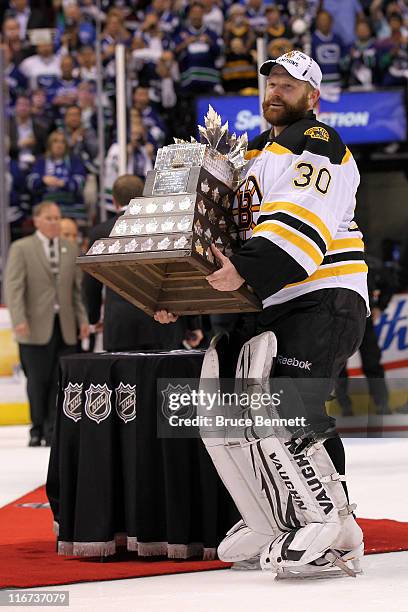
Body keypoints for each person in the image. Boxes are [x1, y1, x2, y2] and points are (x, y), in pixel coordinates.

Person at [156, 50, 369, 578]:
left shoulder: (315, 143)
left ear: (312, 98)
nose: (276, 91)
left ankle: (334, 526)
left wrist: (249, 271)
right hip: (274, 299)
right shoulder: (257, 156)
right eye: (271, 81)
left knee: (290, 409)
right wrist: (179, 291)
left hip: (322, 294)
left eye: (290, 85)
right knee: (234, 413)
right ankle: (273, 518)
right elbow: (220, 240)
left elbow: (299, 228)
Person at [83, 175, 203, 352]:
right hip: (162, 324)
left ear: (114, 201)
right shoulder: (167, 227)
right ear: (146, 196)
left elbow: (90, 285)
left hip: (120, 326)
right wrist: (193, 324)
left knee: (126, 380)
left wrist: (93, 319)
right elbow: (180, 276)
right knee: (163, 380)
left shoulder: (99, 232)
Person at [4, 202, 89, 447]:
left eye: (57, 218)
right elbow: (14, 288)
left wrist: (82, 320)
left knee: (59, 380)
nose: (54, 222)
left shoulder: (70, 248)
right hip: (33, 327)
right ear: (37, 220)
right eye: (49, 218)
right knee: (37, 380)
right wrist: (19, 320)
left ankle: (53, 429)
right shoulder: (21, 248)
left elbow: (76, 292)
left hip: (64, 325)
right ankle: (37, 427)